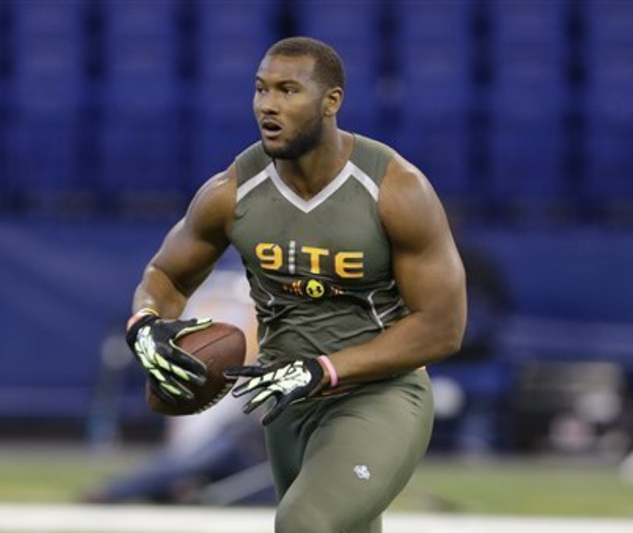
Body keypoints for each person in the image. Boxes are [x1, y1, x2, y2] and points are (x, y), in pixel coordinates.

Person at [124, 36, 467, 533]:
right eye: (261, 90)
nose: (269, 104)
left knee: (304, 523)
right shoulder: (232, 190)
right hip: (284, 402)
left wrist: (323, 369)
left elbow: (443, 328)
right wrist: (146, 323)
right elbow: (165, 275)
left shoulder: (395, 188)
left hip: (378, 396)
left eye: (288, 90)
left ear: (332, 102)